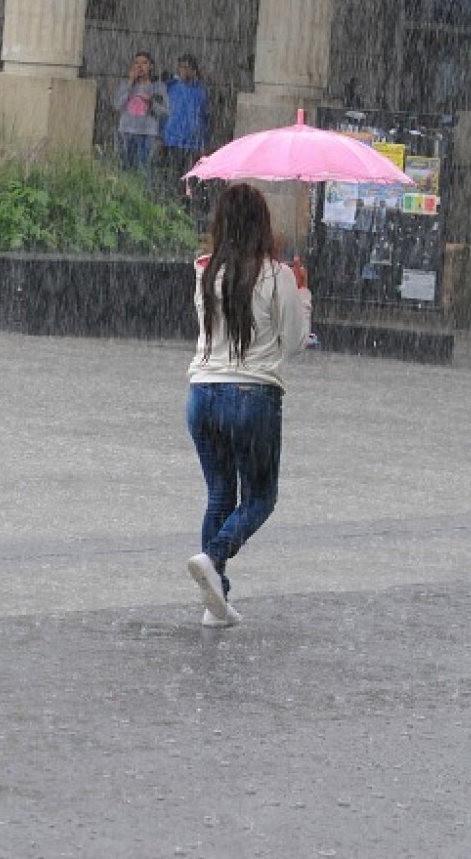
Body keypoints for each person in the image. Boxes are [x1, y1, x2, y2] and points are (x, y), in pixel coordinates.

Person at [185, 184, 312, 628]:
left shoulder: (204, 270)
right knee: (260, 497)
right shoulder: (277, 276)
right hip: (252, 396)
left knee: (221, 492)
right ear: (263, 225)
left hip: (201, 395)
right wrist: (302, 293)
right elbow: (294, 342)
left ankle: (214, 603)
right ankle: (213, 556)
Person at [113, 51, 167, 175]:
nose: (140, 66)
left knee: (144, 170)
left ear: (151, 66)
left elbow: (164, 111)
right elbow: (117, 105)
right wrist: (129, 84)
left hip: (147, 133)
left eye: (144, 63)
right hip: (126, 131)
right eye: (136, 63)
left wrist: (151, 102)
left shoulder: (158, 87)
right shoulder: (125, 84)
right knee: (125, 168)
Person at [161, 54, 212, 183]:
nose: (183, 71)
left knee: (190, 178)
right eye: (181, 67)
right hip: (172, 140)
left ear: (194, 70)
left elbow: (205, 117)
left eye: (186, 67)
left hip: (193, 143)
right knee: (172, 175)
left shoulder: (201, 91)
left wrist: (204, 143)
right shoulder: (171, 87)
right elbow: (163, 111)